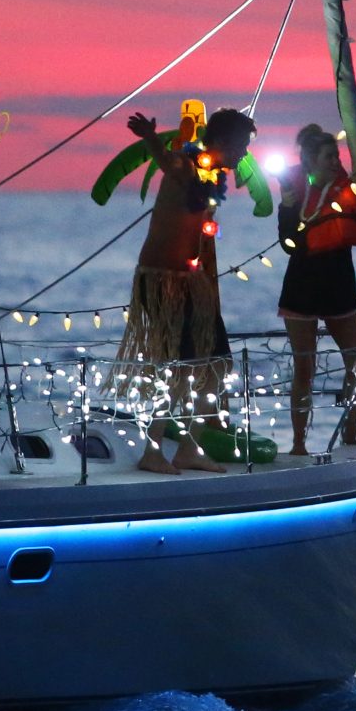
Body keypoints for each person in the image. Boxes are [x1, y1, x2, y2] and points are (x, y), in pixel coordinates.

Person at [115, 105, 255, 474]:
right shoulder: (184, 166)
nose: (244, 153)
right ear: (222, 140)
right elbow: (167, 160)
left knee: (211, 363)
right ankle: (152, 451)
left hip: (193, 283)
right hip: (162, 281)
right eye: (241, 144)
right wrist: (149, 138)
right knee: (170, 367)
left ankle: (190, 448)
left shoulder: (212, 176)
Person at [274, 123, 356, 457]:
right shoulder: (295, 193)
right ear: (310, 160)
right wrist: (285, 207)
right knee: (304, 370)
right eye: (329, 156)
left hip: (339, 289)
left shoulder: (350, 189)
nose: (336, 161)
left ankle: (351, 431)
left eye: (336, 155)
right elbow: (287, 244)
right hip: (301, 289)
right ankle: (298, 444)